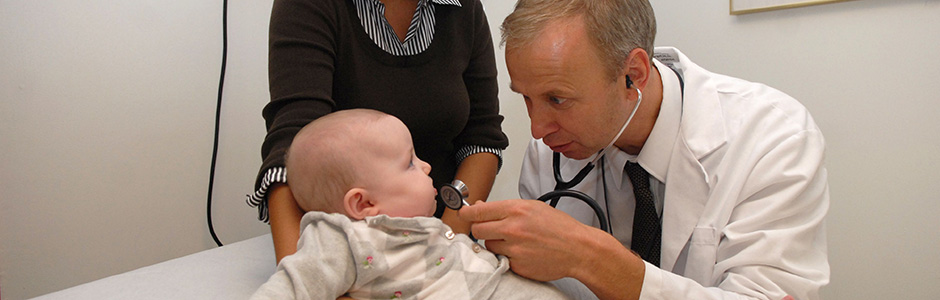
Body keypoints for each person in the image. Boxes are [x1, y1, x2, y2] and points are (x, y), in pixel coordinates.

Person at [458, 0, 830, 299]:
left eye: (557, 99)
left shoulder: (774, 139)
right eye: (526, 98)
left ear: (633, 74)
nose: (538, 130)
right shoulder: (552, 153)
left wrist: (590, 257)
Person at [247, 0, 509, 264]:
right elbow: (290, 148)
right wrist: (308, 273)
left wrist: (443, 244)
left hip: (445, 236)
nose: (425, 167)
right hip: (348, 254)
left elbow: (481, 138)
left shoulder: (464, 8)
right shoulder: (309, 6)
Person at [250, 109, 568, 300]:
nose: (427, 166)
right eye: (410, 164)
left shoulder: (424, 229)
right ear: (363, 203)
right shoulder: (345, 240)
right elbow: (290, 288)